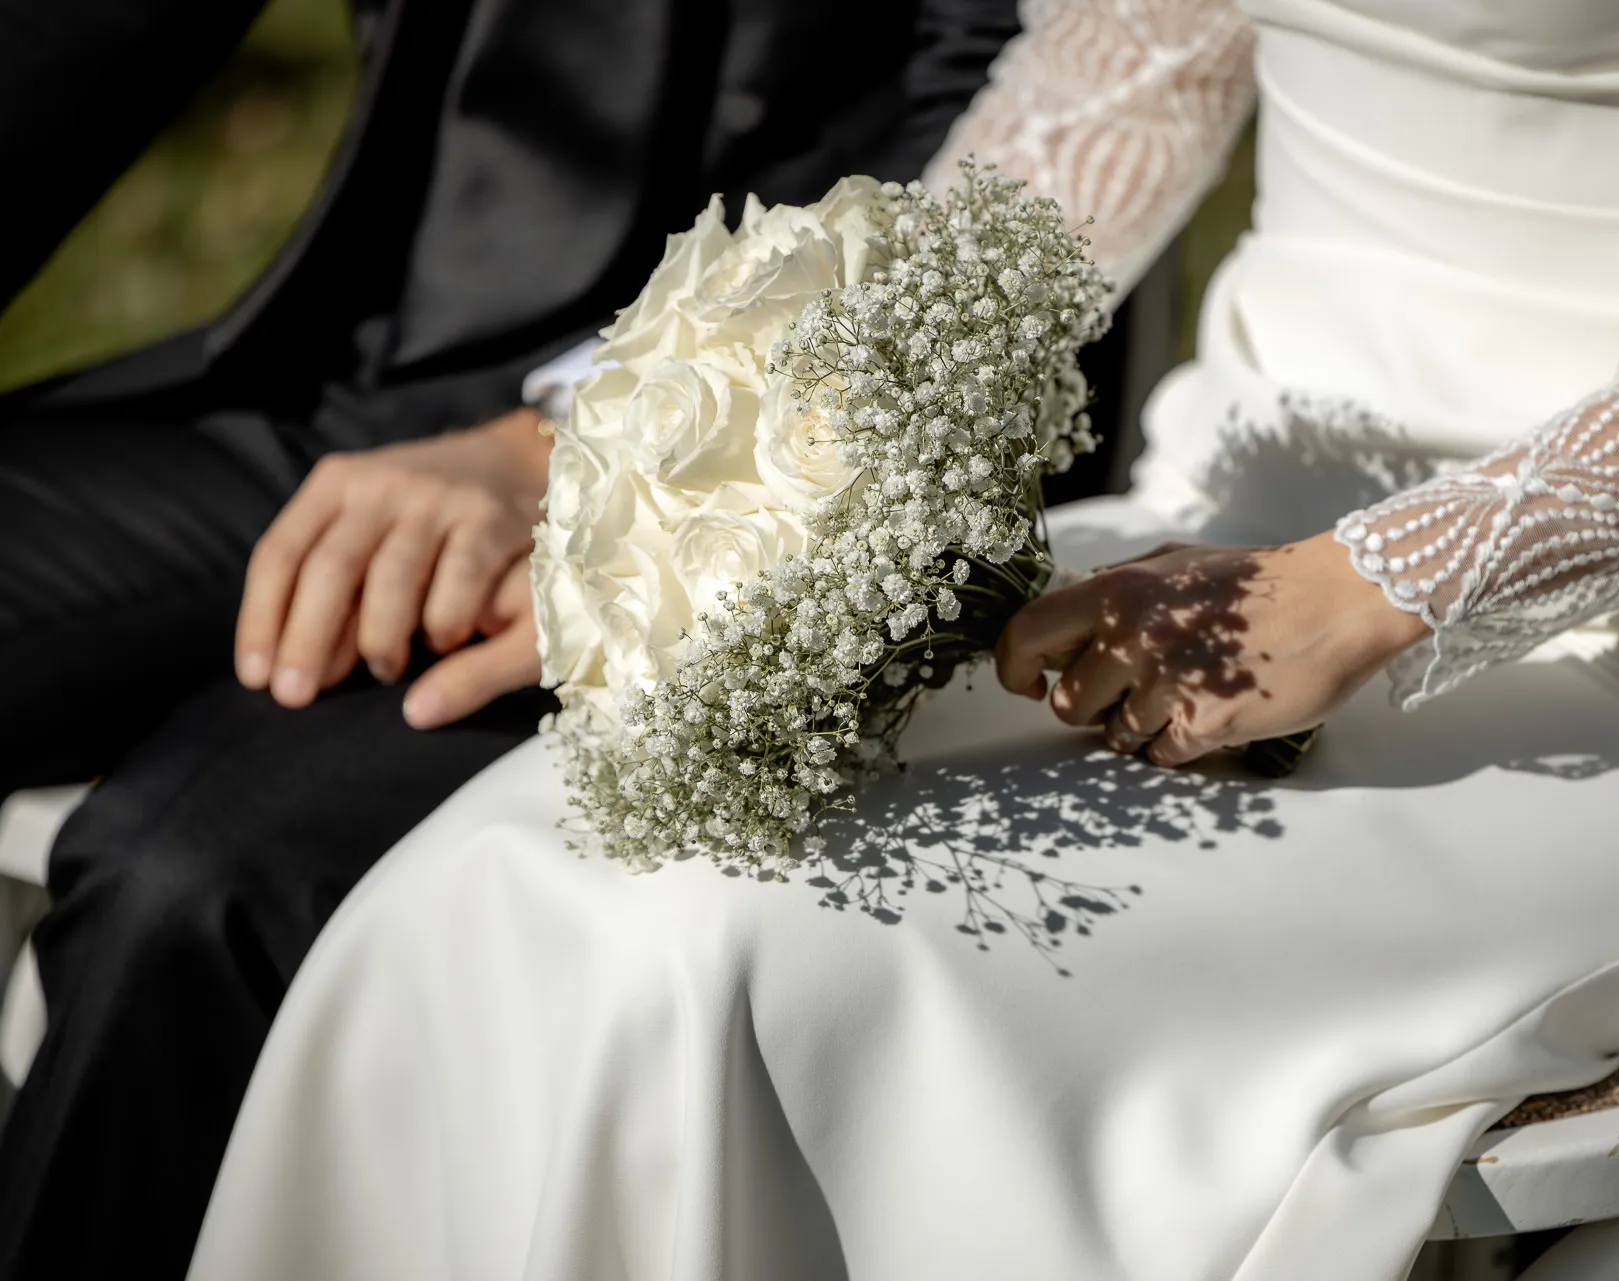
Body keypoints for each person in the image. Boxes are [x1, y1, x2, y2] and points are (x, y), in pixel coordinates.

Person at [184, 0, 1619, 1277]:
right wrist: (693, 475)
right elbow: (1101, 110)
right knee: (518, 883)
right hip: (1204, 538)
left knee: (717, 966)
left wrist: (1363, 589)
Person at [0, 2, 1021, 1277]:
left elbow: (1005, 147)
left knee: (191, 877)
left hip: (750, 471)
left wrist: (593, 445)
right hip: (342, 370)